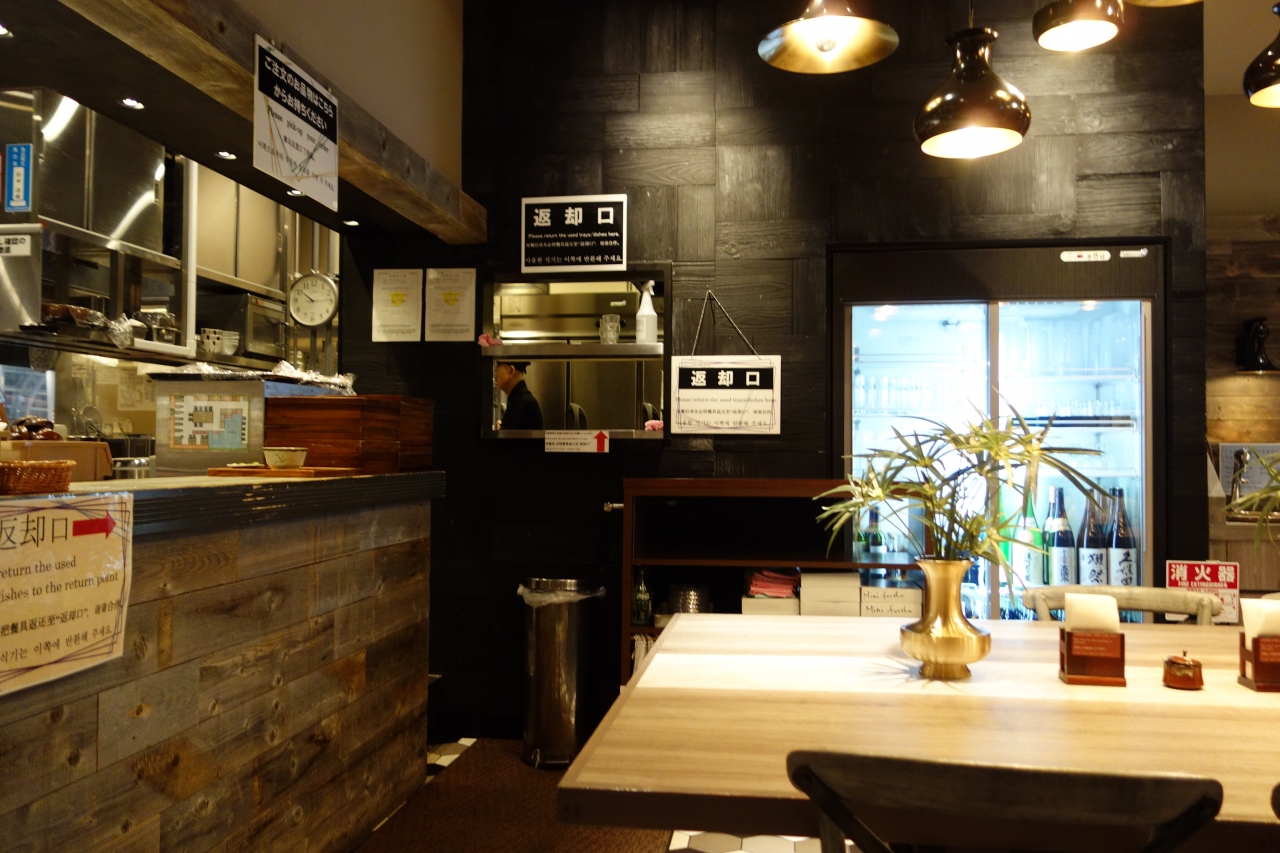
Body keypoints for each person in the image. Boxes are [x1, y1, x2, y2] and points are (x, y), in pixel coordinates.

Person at [496, 361, 543, 429]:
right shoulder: (520, 399)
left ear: (511, 371)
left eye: (497, 369)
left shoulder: (522, 402)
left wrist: (500, 430)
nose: (495, 374)